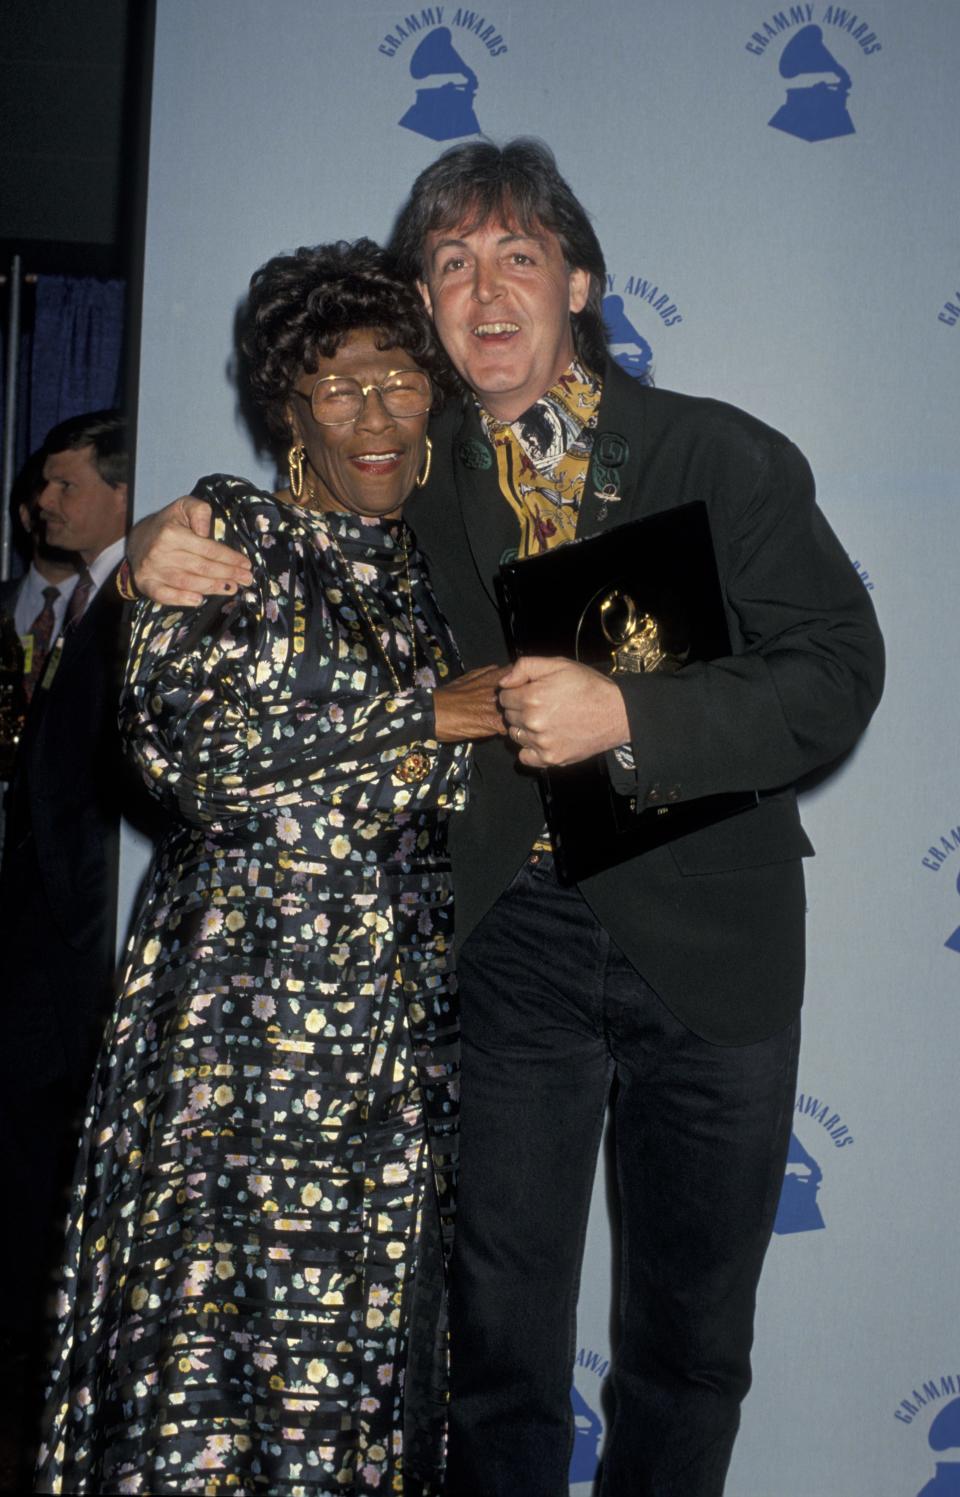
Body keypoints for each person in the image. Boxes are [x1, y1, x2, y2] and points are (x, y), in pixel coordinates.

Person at [126, 140, 885, 1497]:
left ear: (579, 282)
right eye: (452, 263)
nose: (484, 290)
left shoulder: (721, 454)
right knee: (495, 1352)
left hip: (716, 949)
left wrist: (635, 720)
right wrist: (148, 543)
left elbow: (837, 672)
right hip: (513, 948)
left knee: (690, 1350)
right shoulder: (410, 478)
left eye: (517, 257)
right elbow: (285, 525)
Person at [35, 241, 504, 1497]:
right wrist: (425, 720)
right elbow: (192, 758)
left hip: (397, 1039)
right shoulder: (222, 531)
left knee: (360, 1362)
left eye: (400, 380)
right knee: (210, 1356)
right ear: (286, 404)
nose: (372, 413)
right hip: (235, 1023)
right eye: (335, 384)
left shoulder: (444, 575)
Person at [0, 413, 129, 1451]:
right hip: (43, 959)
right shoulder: (90, 606)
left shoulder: (139, 605)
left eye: (65, 485)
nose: (43, 505)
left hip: (88, 962)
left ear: (121, 495)